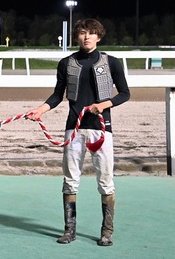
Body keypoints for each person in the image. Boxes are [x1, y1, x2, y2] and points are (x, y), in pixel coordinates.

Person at [25, 18, 130, 246]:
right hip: (74, 128)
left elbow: (125, 93)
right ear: (77, 37)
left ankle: (107, 232)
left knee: (106, 181)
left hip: (102, 129)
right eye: (82, 33)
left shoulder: (111, 62)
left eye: (91, 33)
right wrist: (40, 110)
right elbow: (58, 95)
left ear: (99, 36)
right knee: (70, 180)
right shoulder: (66, 63)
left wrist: (104, 105)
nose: (86, 37)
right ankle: (69, 230)